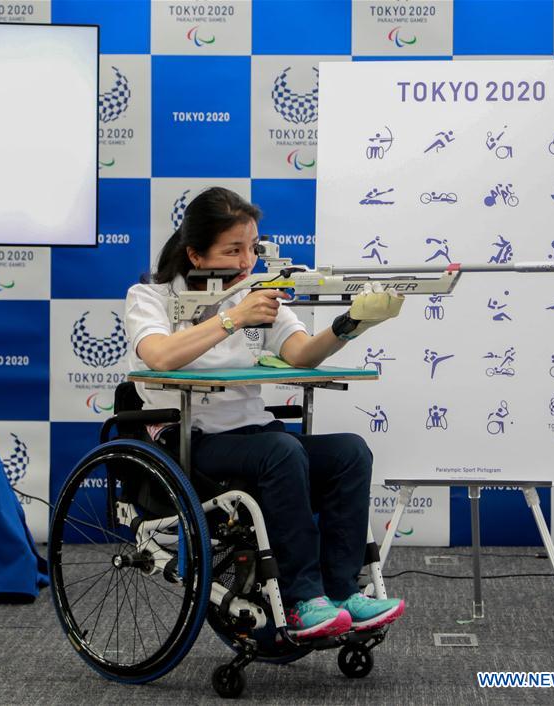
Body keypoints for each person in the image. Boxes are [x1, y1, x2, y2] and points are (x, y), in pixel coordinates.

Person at [124, 187, 406, 641]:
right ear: (195, 254)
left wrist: (351, 323)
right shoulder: (150, 297)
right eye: (232, 250)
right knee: (280, 451)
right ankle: (301, 599)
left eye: (251, 248)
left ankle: (340, 592)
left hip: (254, 434)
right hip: (191, 441)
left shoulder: (259, 295)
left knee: (350, 452)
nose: (245, 261)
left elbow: (301, 355)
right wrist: (232, 318)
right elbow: (158, 356)